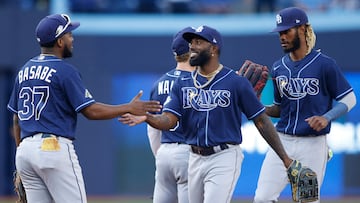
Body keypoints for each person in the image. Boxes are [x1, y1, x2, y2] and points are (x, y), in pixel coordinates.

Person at [6, 13, 161, 203]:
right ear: (60, 41)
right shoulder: (64, 70)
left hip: (25, 151)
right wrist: (128, 107)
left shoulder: (24, 70)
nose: (72, 38)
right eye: (69, 34)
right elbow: (91, 111)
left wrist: (25, 153)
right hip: (52, 148)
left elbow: (16, 119)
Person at [141, 25, 295, 203]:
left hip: (224, 156)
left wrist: (284, 158)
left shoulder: (235, 82)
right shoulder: (182, 84)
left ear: (213, 49)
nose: (192, 47)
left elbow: (261, 121)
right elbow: (168, 119)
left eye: (198, 42)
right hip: (194, 158)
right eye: (191, 42)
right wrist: (149, 118)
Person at [253, 7, 357, 202]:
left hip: (313, 145)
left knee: (306, 200)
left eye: (287, 31)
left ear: (302, 29)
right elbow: (280, 108)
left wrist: (327, 117)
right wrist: (259, 107)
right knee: (262, 198)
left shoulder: (324, 64)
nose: (282, 36)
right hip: (282, 142)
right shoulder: (278, 67)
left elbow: (349, 99)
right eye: (280, 33)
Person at [121, 27, 195, 203]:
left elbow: (153, 131)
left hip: (165, 154)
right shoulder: (199, 83)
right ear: (192, 51)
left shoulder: (159, 83)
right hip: (190, 154)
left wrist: (161, 156)